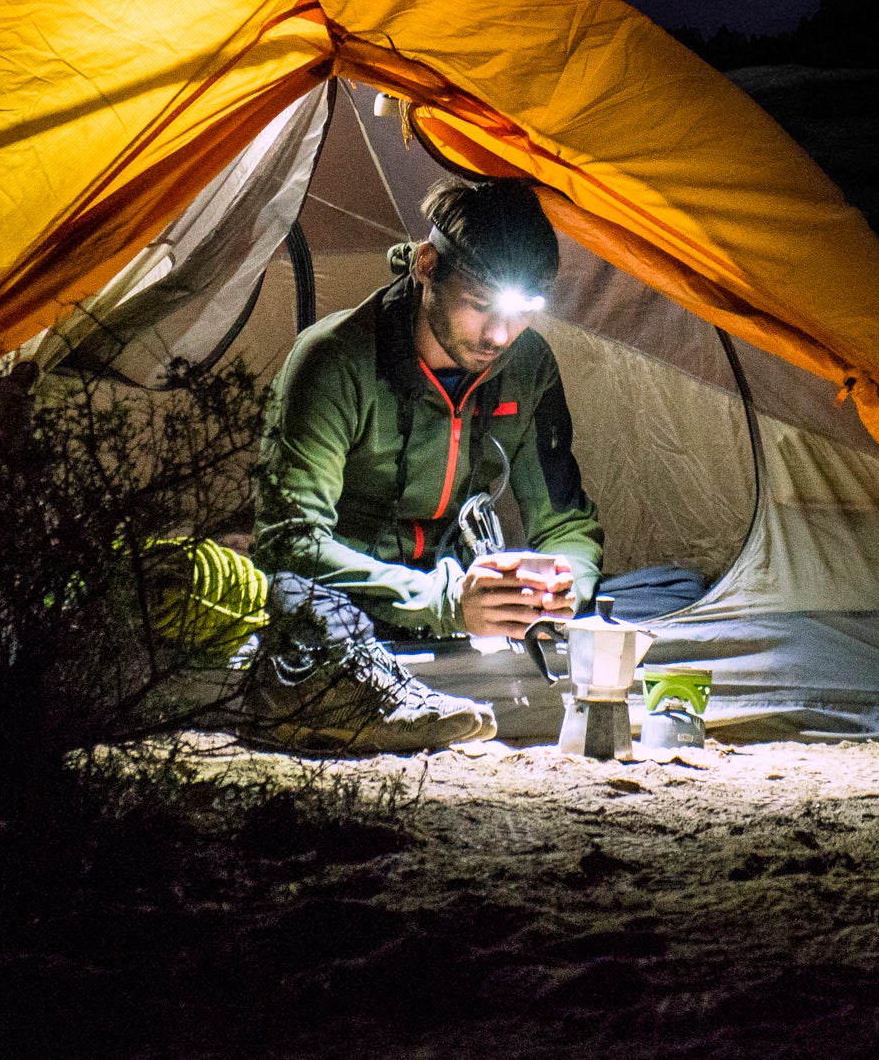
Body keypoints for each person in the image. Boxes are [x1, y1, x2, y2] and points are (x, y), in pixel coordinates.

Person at [241, 176, 606, 752]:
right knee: (295, 603)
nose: (500, 334)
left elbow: (565, 522)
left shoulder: (527, 364)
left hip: (464, 606)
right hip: (359, 596)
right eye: (479, 307)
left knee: (659, 597)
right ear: (428, 266)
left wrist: (563, 587)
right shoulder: (335, 360)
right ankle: (360, 698)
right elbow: (290, 540)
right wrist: (442, 601)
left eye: (521, 312)